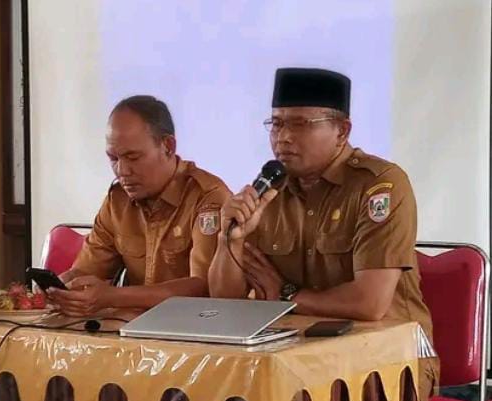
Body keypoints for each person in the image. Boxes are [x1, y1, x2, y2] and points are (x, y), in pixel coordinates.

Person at [208, 68, 438, 399]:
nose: (283, 138)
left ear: (342, 130)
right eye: (276, 124)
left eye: (300, 124)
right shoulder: (269, 191)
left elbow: (369, 303)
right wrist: (230, 240)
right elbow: (225, 302)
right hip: (298, 358)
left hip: (389, 362)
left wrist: (284, 295)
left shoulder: (379, 185)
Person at [49, 95, 230, 316]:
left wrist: (113, 296)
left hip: (193, 327)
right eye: (113, 158)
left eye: (133, 157)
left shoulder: (208, 197)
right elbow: (87, 271)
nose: (122, 171)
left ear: (168, 146)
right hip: (130, 328)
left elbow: (204, 287)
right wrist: (64, 286)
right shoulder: (118, 200)